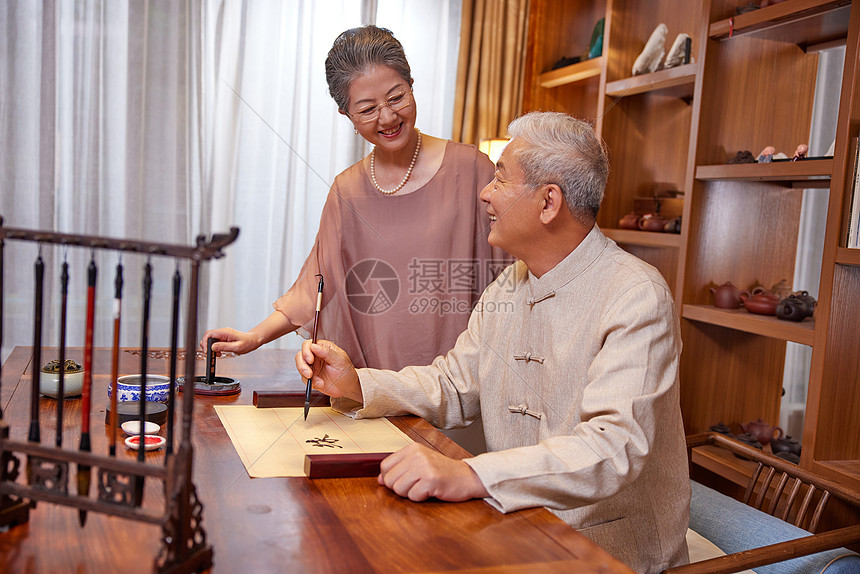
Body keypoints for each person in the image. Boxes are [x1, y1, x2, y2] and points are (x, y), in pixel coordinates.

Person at [296, 111, 690, 573]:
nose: (485, 192)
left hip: (604, 550)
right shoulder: (509, 283)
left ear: (548, 203)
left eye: (500, 179)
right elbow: (456, 383)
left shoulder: (635, 294)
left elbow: (612, 448)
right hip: (515, 524)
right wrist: (359, 384)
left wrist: (470, 474)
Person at [201, 25, 509, 371]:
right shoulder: (347, 190)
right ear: (346, 115)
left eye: (397, 98)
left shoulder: (471, 168)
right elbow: (317, 284)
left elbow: (515, 270)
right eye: (367, 109)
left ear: (411, 87)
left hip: (460, 382)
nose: (389, 117)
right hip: (374, 384)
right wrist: (254, 337)